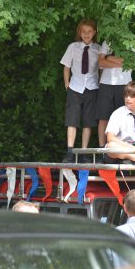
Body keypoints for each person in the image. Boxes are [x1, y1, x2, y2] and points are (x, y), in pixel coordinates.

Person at [60, 19, 100, 163]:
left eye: (89, 31)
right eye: (83, 31)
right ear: (79, 32)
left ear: (94, 32)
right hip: (75, 87)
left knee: (88, 122)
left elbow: (101, 69)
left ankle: (83, 153)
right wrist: (67, 84)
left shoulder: (99, 49)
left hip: (92, 87)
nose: (86, 34)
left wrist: (99, 85)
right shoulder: (73, 47)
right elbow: (66, 66)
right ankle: (70, 152)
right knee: (72, 120)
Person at [96, 40, 135, 154]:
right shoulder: (107, 42)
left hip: (125, 84)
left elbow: (132, 63)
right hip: (106, 83)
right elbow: (100, 63)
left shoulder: (133, 42)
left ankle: (123, 149)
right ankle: (102, 150)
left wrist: (109, 58)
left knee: (124, 117)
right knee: (103, 118)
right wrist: (120, 62)